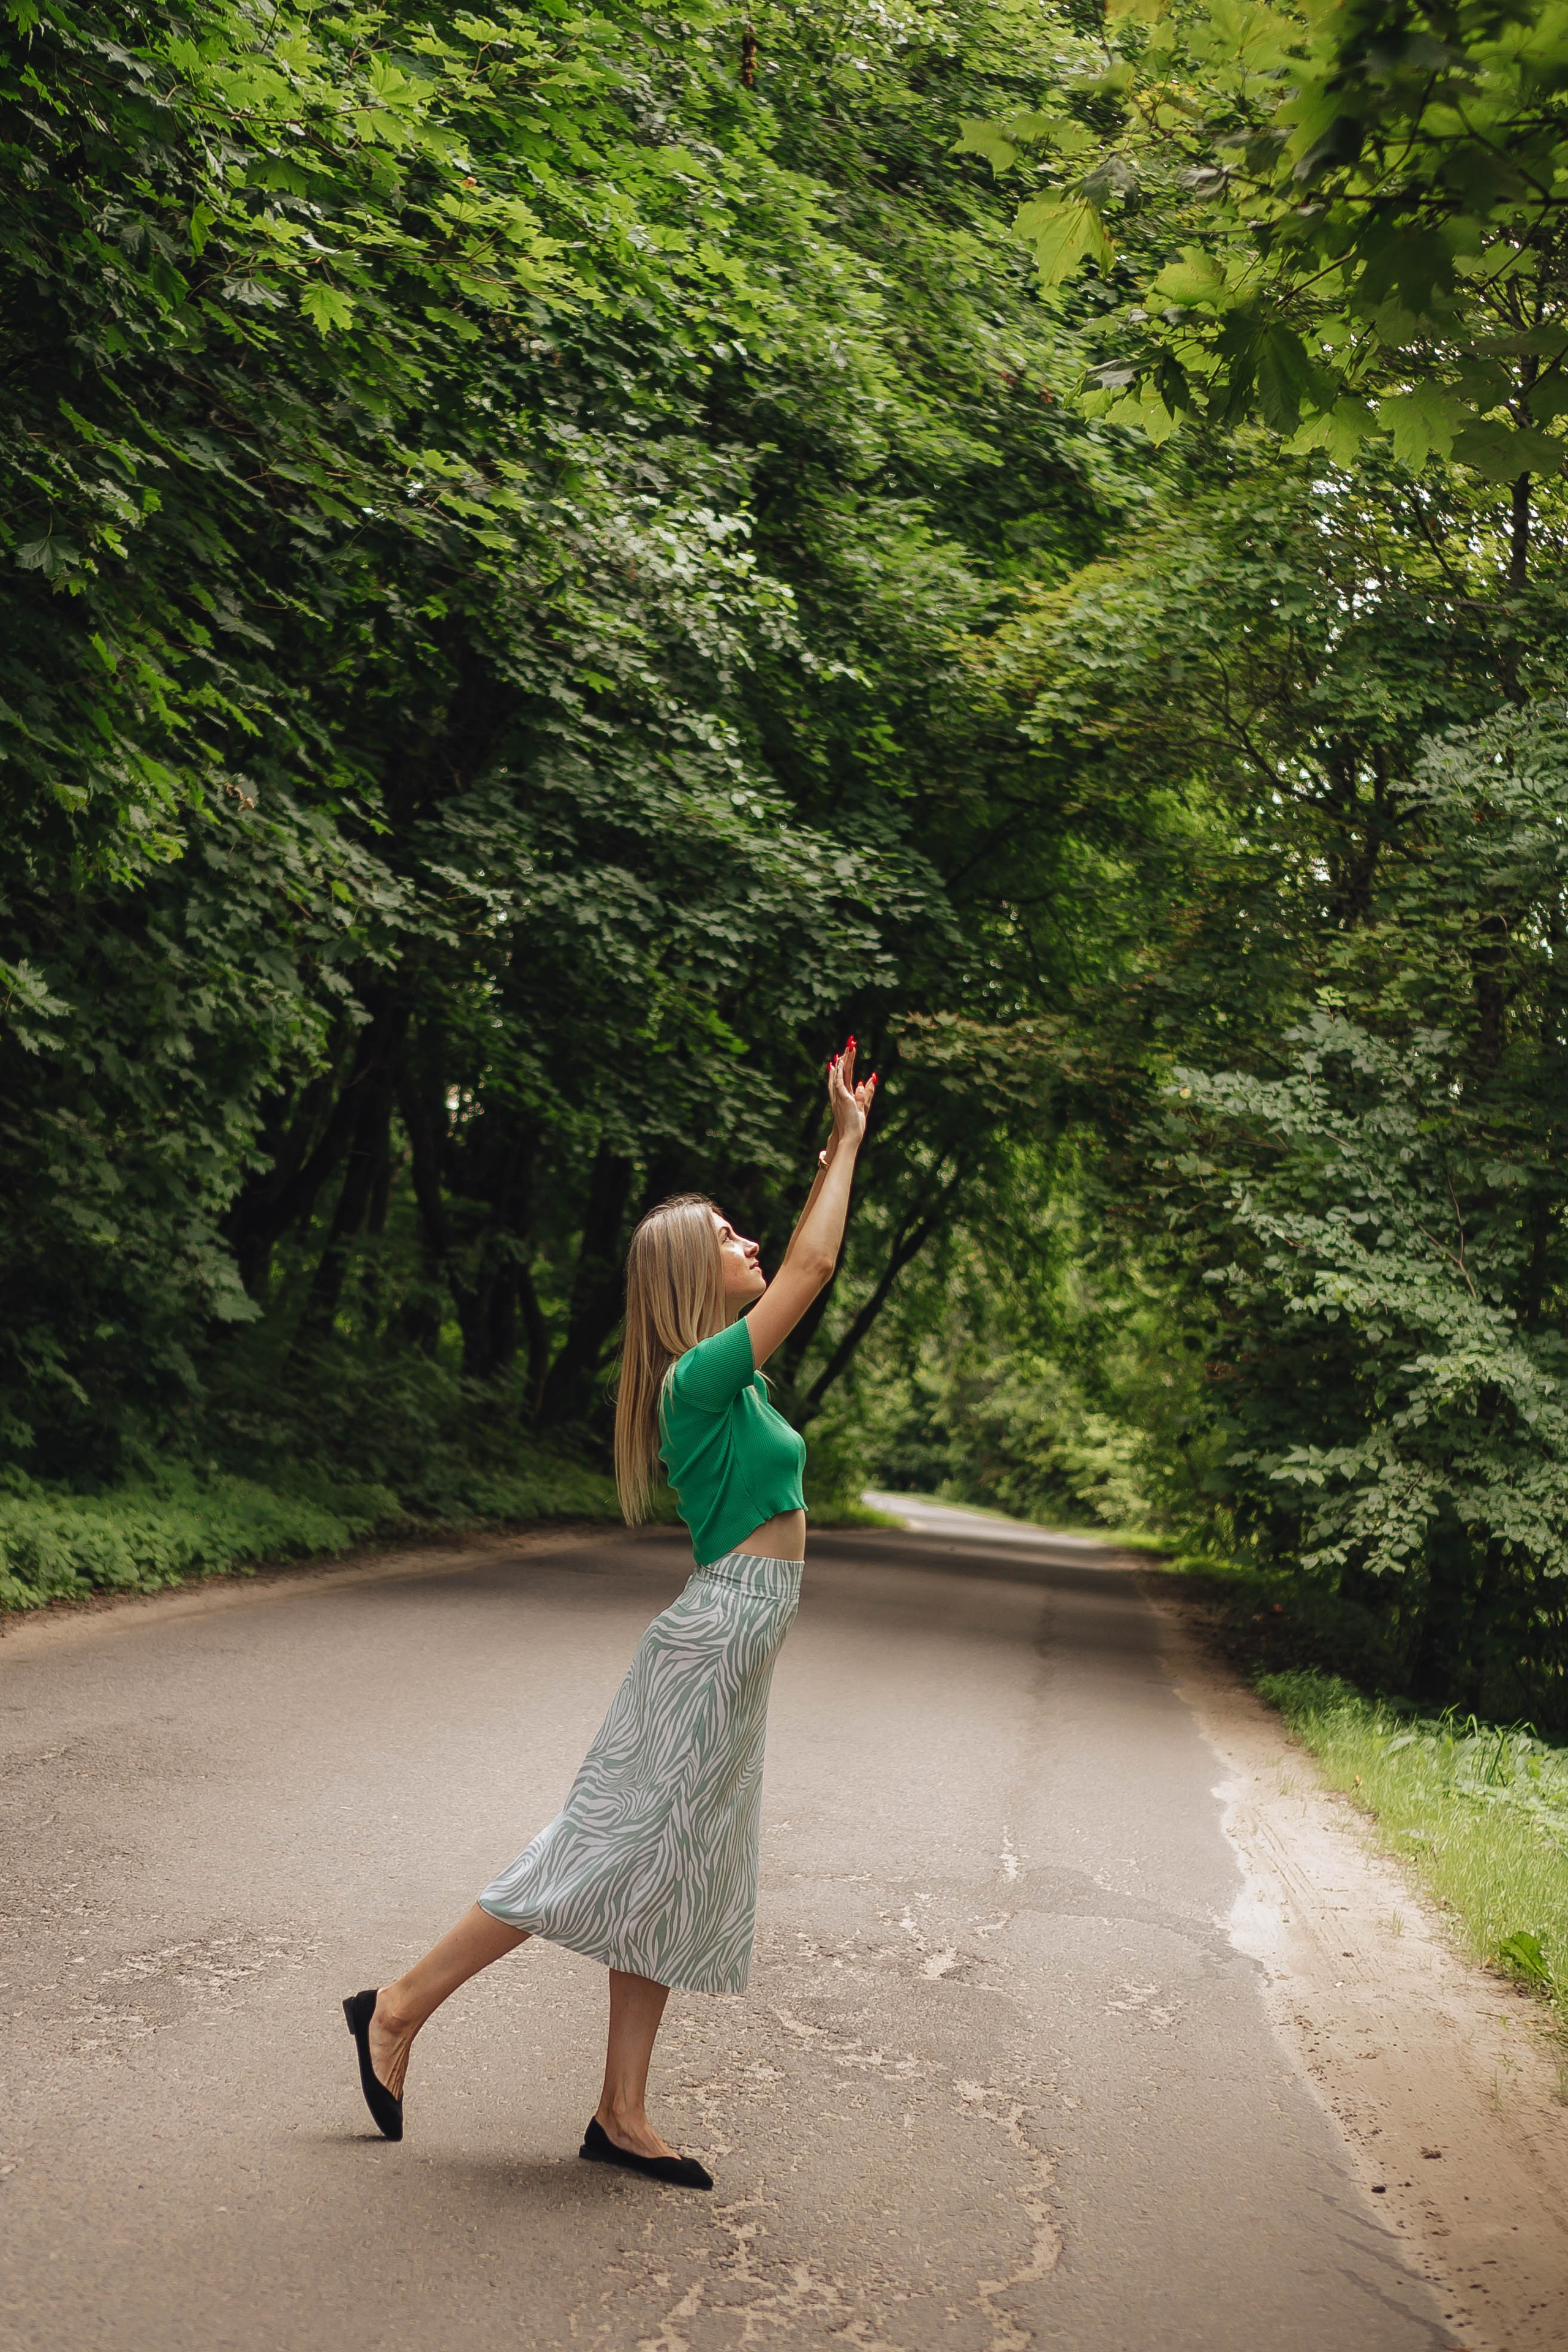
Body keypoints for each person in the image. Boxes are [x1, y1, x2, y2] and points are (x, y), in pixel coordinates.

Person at [343, 1039, 876, 2189]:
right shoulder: (700, 1381)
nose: (752, 1246)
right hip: (714, 1642)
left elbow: (796, 1261)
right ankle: (396, 2006)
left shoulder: (732, 1382)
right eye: (730, 1239)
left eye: (748, 1233)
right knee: (596, 1855)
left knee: (675, 1874)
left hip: (739, 1648)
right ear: (694, 1277)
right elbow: (816, 1263)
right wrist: (848, 1144)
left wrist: (837, 1139)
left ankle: (622, 2115)